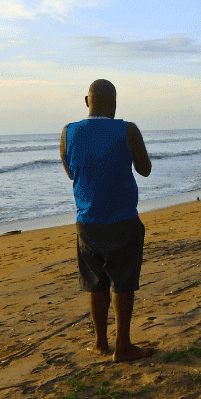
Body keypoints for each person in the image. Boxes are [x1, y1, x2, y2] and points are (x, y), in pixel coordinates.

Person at [60, 79, 153, 362]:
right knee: (123, 281)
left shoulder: (69, 132)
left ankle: (101, 343)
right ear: (114, 103)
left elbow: (70, 173)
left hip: (87, 219)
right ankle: (123, 344)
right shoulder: (127, 130)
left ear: (87, 102)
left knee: (95, 281)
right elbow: (145, 169)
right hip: (123, 217)